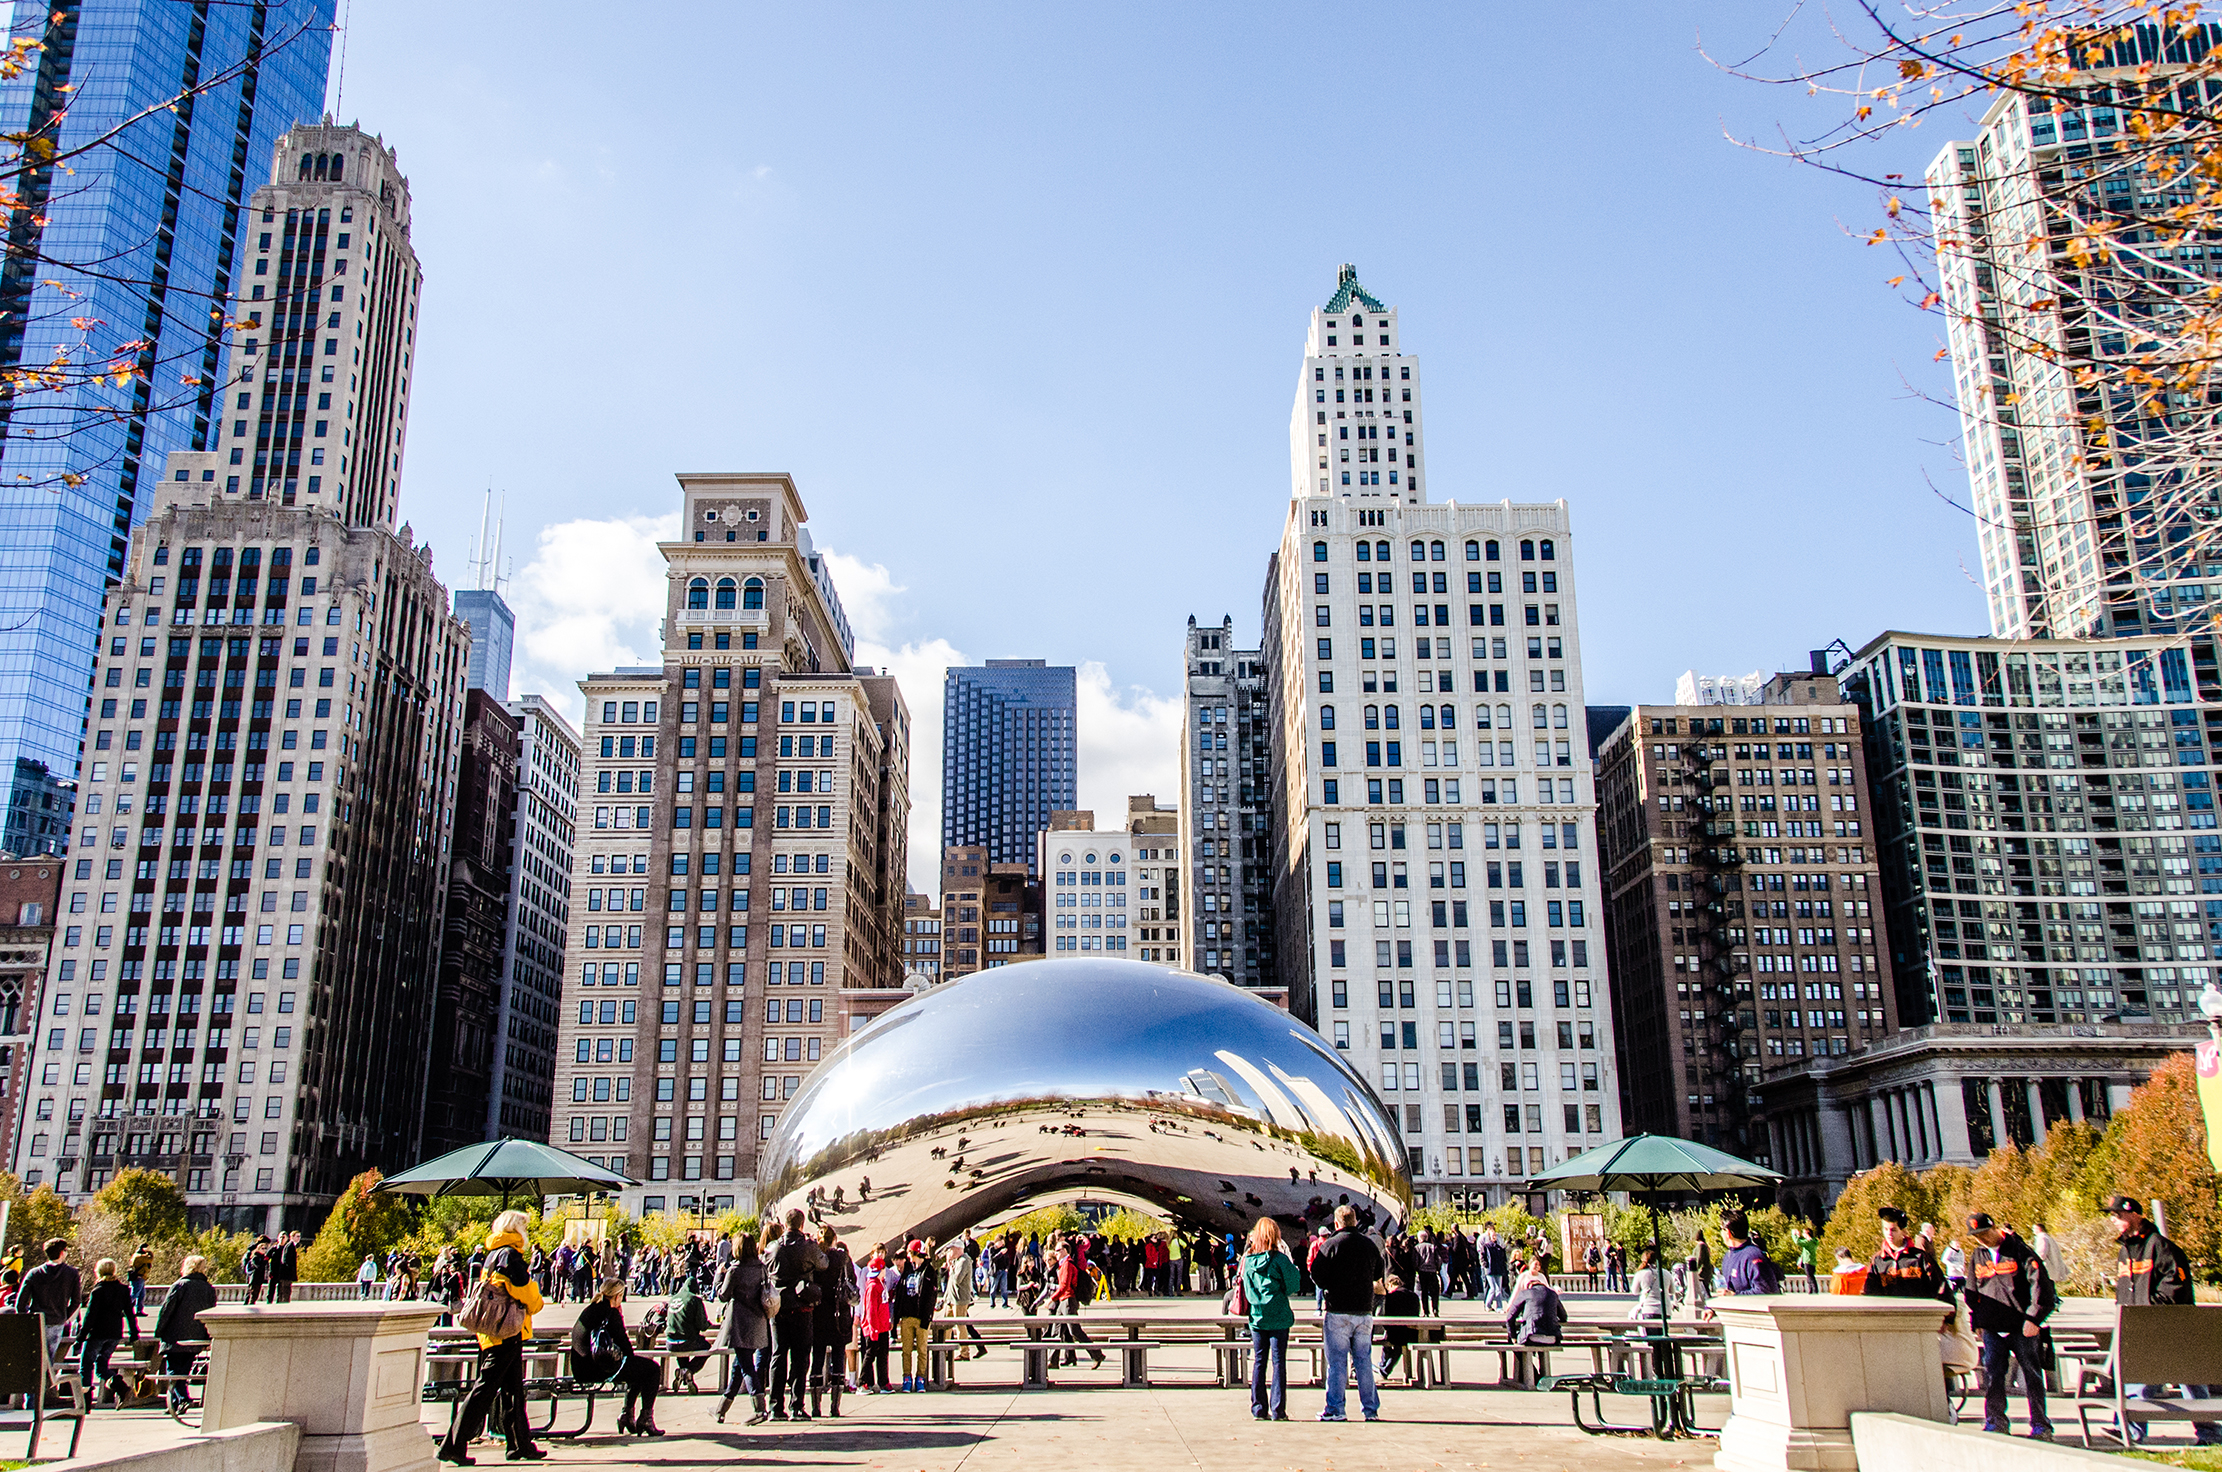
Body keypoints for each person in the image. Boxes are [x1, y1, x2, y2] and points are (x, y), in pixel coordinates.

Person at [2108, 1193, 2219, 1447]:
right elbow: (2125, 1290)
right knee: (2141, 1379)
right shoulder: (2126, 1251)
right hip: (2137, 1329)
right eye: (2113, 1216)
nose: (2115, 1220)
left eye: (2119, 1215)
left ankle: (2208, 1430)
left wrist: (2146, 1313)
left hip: (2170, 1328)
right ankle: (2131, 1429)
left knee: (2188, 1379)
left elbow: (2175, 1288)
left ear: (2135, 1215)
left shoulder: (2162, 1247)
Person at [436, 1210, 546, 1466]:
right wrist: (537, 1300)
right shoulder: (510, 1256)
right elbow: (525, 1293)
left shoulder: (493, 1254)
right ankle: (452, 1444)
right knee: (485, 1389)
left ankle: (519, 1444)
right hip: (505, 1331)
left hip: (492, 1331)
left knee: (512, 1390)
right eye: (524, 1226)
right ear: (515, 1229)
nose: (526, 1231)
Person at [1965, 1212, 2056, 1441]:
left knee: (2032, 1375)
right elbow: (1972, 1291)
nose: (1982, 1239)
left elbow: (2041, 1287)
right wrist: (1977, 1321)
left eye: (1984, 1233)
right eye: (1976, 1236)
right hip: (1993, 1328)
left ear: (1994, 1227)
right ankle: (1996, 1421)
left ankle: (2041, 1425)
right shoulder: (1978, 1255)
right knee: (1994, 1375)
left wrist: (2034, 1319)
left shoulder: (2020, 1250)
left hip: (2022, 1326)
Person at [1310, 1203, 1383, 1423]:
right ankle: (1370, 1409)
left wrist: (1328, 1285)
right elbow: (1379, 1271)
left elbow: (1316, 1273)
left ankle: (1336, 1408)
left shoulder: (1331, 1244)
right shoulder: (1368, 1245)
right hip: (1363, 1309)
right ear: (1354, 1221)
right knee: (1363, 1361)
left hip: (1339, 1309)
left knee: (1337, 1363)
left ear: (1336, 1223)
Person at [570, 1277, 662, 1437]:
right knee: (652, 1369)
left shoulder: (590, 1309)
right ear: (618, 1296)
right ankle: (645, 1419)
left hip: (581, 1366)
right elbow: (626, 1349)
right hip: (599, 1368)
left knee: (638, 1369)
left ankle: (627, 1415)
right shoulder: (610, 1314)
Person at [765, 1209, 825, 1416]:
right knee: (800, 1358)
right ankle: (797, 1405)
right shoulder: (808, 1246)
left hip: (779, 1308)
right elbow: (823, 1263)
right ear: (801, 1225)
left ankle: (775, 1407)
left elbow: (767, 1270)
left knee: (778, 1355)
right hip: (801, 1307)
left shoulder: (773, 1247)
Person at [1242, 1217, 1300, 1421]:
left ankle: (1258, 1407)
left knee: (1259, 1361)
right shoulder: (1280, 1260)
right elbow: (1294, 1285)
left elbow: (1247, 1291)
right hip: (1279, 1317)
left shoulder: (1247, 1262)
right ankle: (1278, 1409)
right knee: (1278, 1362)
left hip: (1257, 1318)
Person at [713, 1234, 772, 1425]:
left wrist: (720, 1274)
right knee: (738, 1366)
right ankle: (721, 1409)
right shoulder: (761, 1268)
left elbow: (723, 1295)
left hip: (739, 1323)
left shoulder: (735, 1270)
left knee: (746, 1366)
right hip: (758, 1321)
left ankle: (759, 1408)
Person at [152, 1255, 218, 1415]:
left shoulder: (180, 1286)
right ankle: (175, 1403)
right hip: (196, 1336)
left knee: (173, 1370)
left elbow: (166, 1310)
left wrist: (159, 1331)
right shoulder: (208, 1289)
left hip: (175, 1335)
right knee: (184, 1369)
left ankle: (182, 1398)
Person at [78, 1258, 139, 1407]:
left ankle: (85, 1402)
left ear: (98, 1271)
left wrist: (81, 1336)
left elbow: (90, 1316)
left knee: (86, 1366)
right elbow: (130, 1313)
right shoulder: (123, 1290)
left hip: (97, 1333)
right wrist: (133, 1332)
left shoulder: (97, 1291)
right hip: (114, 1333)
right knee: (102, 1367)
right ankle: (121, 1387)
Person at [809, 1225, 855, 1417]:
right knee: (838, 1358)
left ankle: (815, 1406)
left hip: (818, 1313)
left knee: (817, 1358)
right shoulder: (842, 1258)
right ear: (834, 1239)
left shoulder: (814, 1259)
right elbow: (851, 1282)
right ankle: (835, 1406)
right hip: (839, 1314)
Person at [1864, 1207, 1950, 1301]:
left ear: (1903, 1231)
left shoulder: (1920, 1257)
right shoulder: (1878, 1260)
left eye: (1893, 1230)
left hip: (1916, 1312)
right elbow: (1870, 1294)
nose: (1889, 1234)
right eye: (1885, 1229)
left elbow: (1942, 1289)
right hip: (1889, 1313)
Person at [19, 1237, 80, 1366]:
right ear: (62, 1252)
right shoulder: (72, 1273)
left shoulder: (34, 1273)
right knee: (49, 1360)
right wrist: (64, 1316)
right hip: (56, 1321)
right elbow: (76, 1300)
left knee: (32, 1359)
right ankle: (47, 1384)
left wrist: (26, 1317)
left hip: (36, 1320)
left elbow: (21, 1302)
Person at [1047, 1236, 1103, 1370]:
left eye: (1058, 1250)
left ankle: (1097, 1354)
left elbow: (1064, 1286)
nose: (1056, 1253)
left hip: (1068, 1300)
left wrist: (1051, 1298)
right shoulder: (1063, 1264)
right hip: (1063, 1301)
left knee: (1075, 1331)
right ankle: (1053, 1360)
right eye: (1055, 1250)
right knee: (1057, 1330)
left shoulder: (1067, 1264)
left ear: (1066, 1250)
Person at [891, 1239, 937, 1390]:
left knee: (922, 1350)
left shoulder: (929, 1271)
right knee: (906, 1350)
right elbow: (900, 1293)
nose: (909, 1257)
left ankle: (920, 1378)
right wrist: (896, 1316)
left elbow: (931, 1297)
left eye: (910, 1254)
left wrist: (927, 1317)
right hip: (907, 1316)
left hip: (921, 1317)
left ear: (916, 1253)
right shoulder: (908, 1269)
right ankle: (906, 1378)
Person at [663, 1272, 711, 1395]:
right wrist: (707, 1324)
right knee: (707, 1347)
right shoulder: (694, 1300)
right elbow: (702, 1325)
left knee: (681, 1348)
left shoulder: (673, 1299)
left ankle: (683, 1373)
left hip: (670, 1342)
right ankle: (688, 1370)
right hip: (687, 1340)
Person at [1504, 1264, 1569, 1351]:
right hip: (1553, 1338)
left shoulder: (1526, 1293)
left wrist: (1513, 1337)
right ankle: (1535, 1364)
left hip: (1531, 1335)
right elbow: (1564, 1317)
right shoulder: (1553, 1294)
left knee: (1517, 1345)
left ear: (1529, 1286)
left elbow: (1509, 1317)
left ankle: (1528, 1364)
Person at [856, 1247, 894, 1396]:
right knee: (870, 1354)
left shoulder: (881, 1284)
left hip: (883, 1326)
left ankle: (884, 1382)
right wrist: (873, 1329)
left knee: (883, 1354)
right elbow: (871, 1310)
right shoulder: (872, 1287)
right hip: (874, 1327)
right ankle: (862, 1382)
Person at [1719, 1212, 1780, 1299]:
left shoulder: (1753, 1256)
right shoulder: (1728, 1256)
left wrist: (1735, 1296)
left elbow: (1766, 1292)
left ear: (1728, 1232)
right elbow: (1730, 1290)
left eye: (1721, 1229)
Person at [1377, 1274, 1422, 1381]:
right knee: (1400, 1342)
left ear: (1390, 1284)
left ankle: (1384, 1366)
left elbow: (1385, 1317)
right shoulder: (1413, 1295)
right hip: (1412, 1332)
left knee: (1390, 1338)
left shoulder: (1391, 1297)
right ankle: (1384, 1367)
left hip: (1395, 1333)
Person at [1628, 1248, 1665, 1324]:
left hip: (1648, 1308)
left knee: (1650, 1334)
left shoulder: (1640, 1274)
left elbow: (1635, 1291)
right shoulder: (1665, 1273)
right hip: (1664, 1310)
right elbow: (1671, 1291)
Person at [274, 1231, 301, 1304]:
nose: (299, 1238)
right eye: (297, 1236)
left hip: (286, 1275)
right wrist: (290, 1273)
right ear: (292, 1237)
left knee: (285, 1292)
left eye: (299, 1236)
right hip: (286, 1275)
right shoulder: (289, 1246)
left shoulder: (291, 1246)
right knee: (285, 1293)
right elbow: (286, 1261)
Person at [127, 1243, 153, 1316]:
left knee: (141, 1294)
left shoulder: (137, 1256)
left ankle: (139, 1310)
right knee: (134, 1294)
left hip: (141, 1277)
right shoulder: (139, 1257)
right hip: (138, 1277)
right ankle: (124, 1308)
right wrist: (150, 1252)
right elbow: (150, 1259)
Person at [1792, 1227, 1819, 1293]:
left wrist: (1794, 1235)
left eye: (1804, 1233)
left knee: (1810, 1277)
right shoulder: (1814, 1241)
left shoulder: (1808, 1242)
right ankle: (1812, 1290)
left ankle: (1813, 1291)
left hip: (1808, 1261)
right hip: (1812, 1262)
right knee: (1810, 1276)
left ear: (1807, 1233)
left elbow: (1798, 1242)